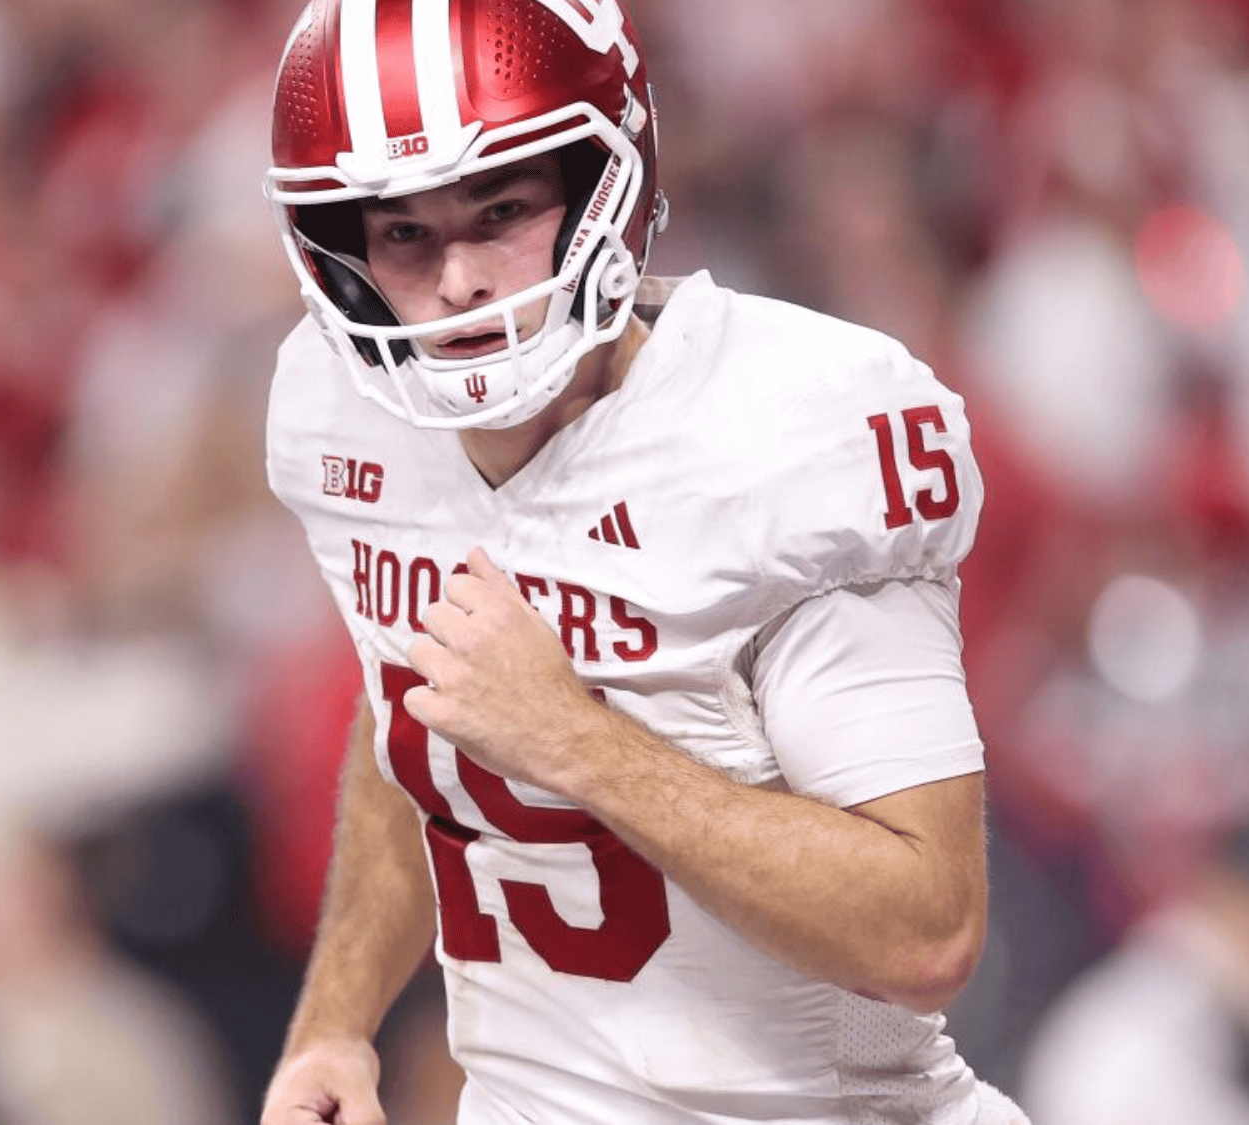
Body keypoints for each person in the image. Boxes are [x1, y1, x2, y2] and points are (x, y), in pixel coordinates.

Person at [255, 2, 1026, 1122]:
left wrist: (577, 741)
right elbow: (414, 715)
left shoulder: (789, 429)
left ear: (601, 188)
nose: (459, 280)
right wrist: (334, 1024)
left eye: (500, 210)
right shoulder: (342, 413)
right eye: (404, 235)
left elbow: (925, 931)